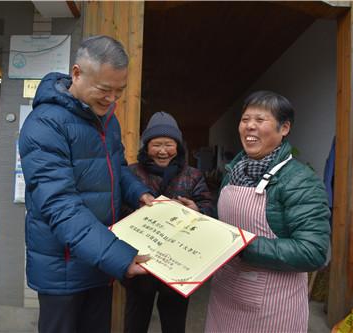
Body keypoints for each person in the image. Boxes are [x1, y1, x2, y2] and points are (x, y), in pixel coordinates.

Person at [19, 35, 155, 333]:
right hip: (63, 267)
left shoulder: (106, 118)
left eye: (120, 91)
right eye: (105, 89)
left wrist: (142, 194)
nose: (112, 99)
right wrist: (118, 256)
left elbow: (116, 168)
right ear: (77, 74)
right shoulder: (44, 125)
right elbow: (60, 204)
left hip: (99, 260)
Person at [205, 91, 331, 332]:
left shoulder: (300, 180)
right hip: (225, 293)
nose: (250, 126)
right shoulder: (233, 171)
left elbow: (312, 251)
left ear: (284, 128)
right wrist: (200, 216)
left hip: (272, 303)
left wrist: (242, 246)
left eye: (260, 120)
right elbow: (227, 220)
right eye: (245, 120)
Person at [123, 111, 214, 333]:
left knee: (174, 322)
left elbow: (209, 208)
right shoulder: (132, 173)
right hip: (140, 261)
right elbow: (119, 209)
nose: (163, 151)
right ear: (146, 147)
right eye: (156, 144)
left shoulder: (193, 175)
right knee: (135, 320)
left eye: (169, 144)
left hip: (178, 264)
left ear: (178, 146)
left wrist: (197, 209)